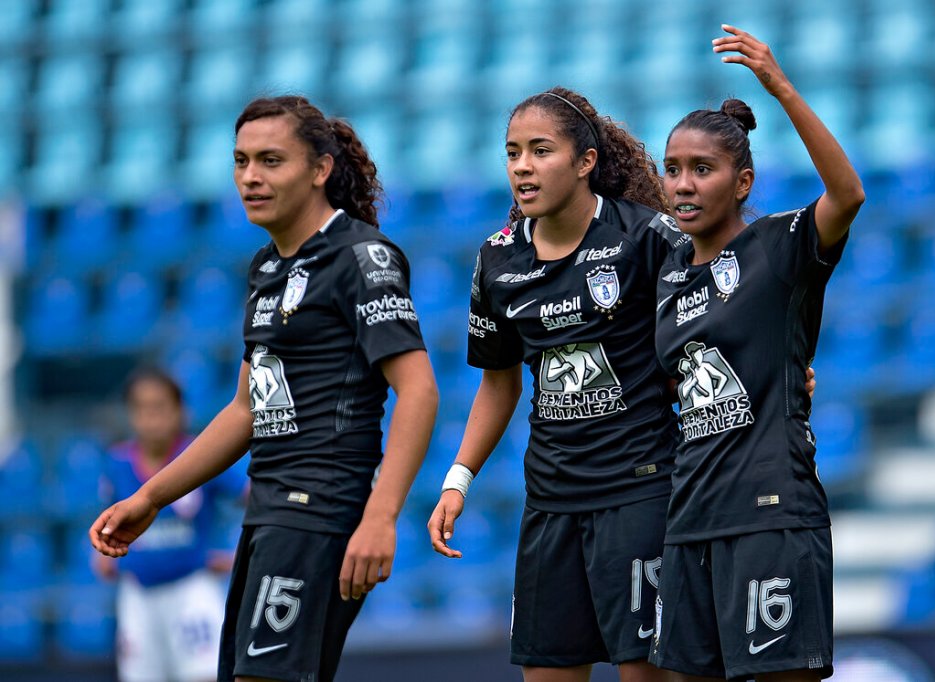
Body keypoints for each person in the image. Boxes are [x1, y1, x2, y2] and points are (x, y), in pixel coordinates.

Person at [90, 95, 439, 682]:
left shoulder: (362, 257)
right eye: (241, 161)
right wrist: (150, 497)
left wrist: (382, 515)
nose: (250, 177)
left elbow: (420, 390)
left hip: (317, 510)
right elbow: (246, 410)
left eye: (271, 160)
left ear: (319, 169)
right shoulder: (266, 268)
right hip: (270, 513)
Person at [428, 85, 687, 682]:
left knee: (645, 672)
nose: (523, 165)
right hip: (549, 500)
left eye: (540, 150)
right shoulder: (496, 261)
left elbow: (711, 327)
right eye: (513, 152)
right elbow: (499, 384)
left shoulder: (647, 237)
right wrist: (457, 483)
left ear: (585, 161)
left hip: (640, 490)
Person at [648, 26, 864, 682]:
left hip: (770, 515)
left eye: (703, 170)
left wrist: (780, 86)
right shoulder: (668, 273)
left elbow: (847, 195)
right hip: (689, 522)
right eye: (674, 168)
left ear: (742, 182)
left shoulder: (778, 248)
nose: (683, 185)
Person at [94, 367, 248, 682]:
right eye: (142, 409)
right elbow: (107, 514)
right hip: (137, 593)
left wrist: (238, 554)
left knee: (204, 674)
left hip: (191, 588)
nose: (152, 419)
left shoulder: (200, 456)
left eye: (160, 407)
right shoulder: (117, 462)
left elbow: (251, 497)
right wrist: (102, 553)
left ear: (179, 410)